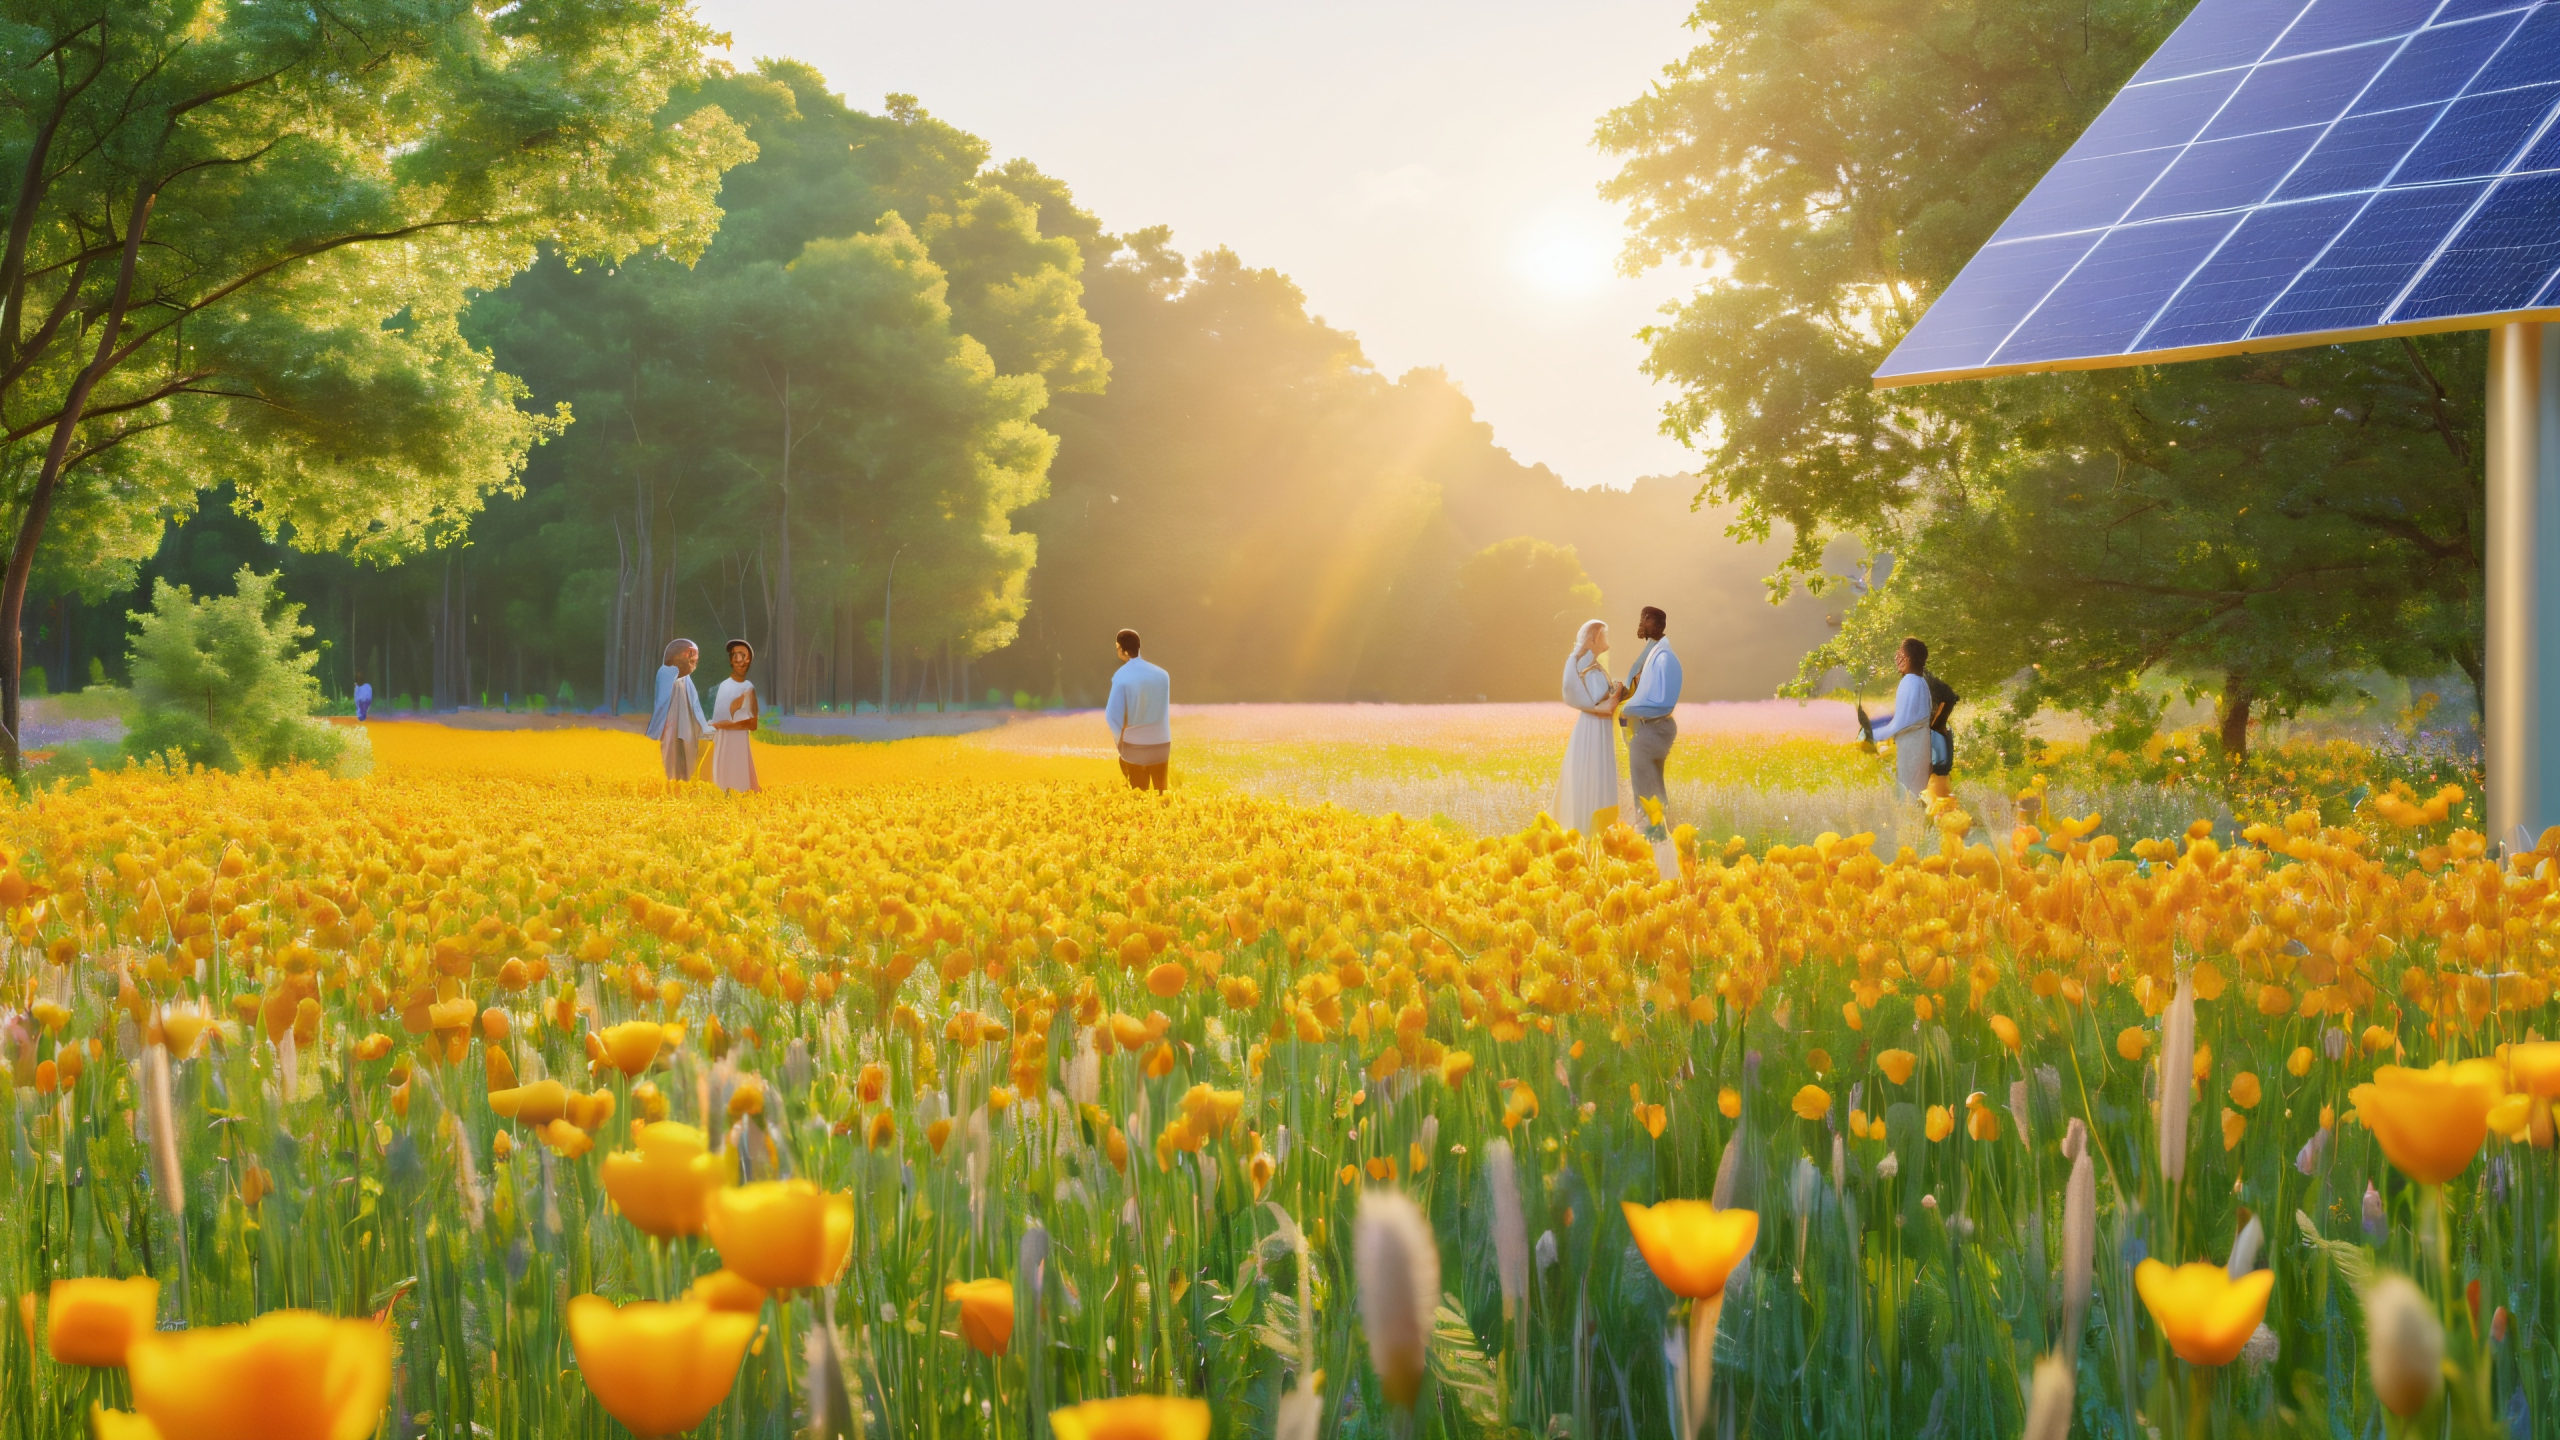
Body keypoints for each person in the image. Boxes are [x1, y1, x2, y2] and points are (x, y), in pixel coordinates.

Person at [1616, 606, 1682, 876]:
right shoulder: (1654, 650)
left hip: (1654, 729)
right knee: (1654, 788)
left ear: (1656, 623)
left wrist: (1626, 711)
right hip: (1650, 728)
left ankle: (1649, 844)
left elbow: (1661, 701)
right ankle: (1665, 841)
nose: (1640, 625)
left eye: (1644, 620)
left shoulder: (1663, 657)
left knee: (1643, 789)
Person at [1555, 619, 1622, 837]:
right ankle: (1589, 833)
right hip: (1593, 730)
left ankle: (1596, 833)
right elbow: (1604, 707)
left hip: (1597, 729)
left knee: (1594, 778)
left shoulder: (1592, 665)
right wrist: (1619, 692)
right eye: (1603, 635)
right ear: (1592, 640)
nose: (1607, 639)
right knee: (1593, 777)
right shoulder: (1587, 668)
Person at [1103, 628, 1171, 790]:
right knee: (1162, 794)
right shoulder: (1162, 675)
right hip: (1161, 742)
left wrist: (1120, 743)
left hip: (1136, 744)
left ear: (1122, 650)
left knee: (1139, 795)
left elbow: (1112, 715)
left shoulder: (1122, 675)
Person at [1872, 636, 1936, 798]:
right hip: (1919, 747)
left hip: (1911, 749)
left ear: (1907, 658)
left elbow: (1901, 723)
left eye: (1899, 654)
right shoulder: (1921, 682)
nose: (1896, 658)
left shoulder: (1909, 682)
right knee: (1915, 794)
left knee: (1907, 796)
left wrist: (1872, 734)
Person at [648, 639, 711, 783]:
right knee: (671, 761)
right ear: (685, 653)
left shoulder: (686, 677)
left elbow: (694, 704)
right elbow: (662, 703)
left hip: (685, 728)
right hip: (670, 728)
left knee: (686, 760)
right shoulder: (667, 671)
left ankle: (684, 786)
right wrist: (657, 729)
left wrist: (703, 726)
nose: (696, 659)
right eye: (693, 654)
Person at [707, 639, 762, 793]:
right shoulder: (724, 686)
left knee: (739, 783)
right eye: (736, 656)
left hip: (738, 743)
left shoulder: (748, 688)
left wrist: (724, 725)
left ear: (749, 660)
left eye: (744, 656)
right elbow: (718, 718)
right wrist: (717, 726)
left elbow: (753, 724)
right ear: (731, 660)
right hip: (723, 742)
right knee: (722, 783)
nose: (740, 661)